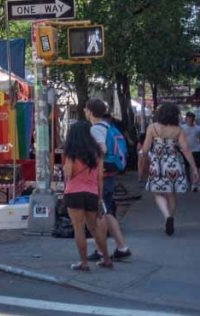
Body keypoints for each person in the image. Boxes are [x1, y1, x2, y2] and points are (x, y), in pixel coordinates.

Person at [139, 103, 198, 236]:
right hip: (174, 164)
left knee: (157, 192)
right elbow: (186, 149)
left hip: (157, 164)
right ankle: (170, 218)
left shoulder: (152, 128)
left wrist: (140, 156)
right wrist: (194, 168)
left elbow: (146, 149)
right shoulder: (178, 130)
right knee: (171, 194)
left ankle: (167, 217)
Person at [85, 99, 132, 261]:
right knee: (106, 212)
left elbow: (102, 149)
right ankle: (120, 247)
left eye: (86, 109)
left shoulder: (96, 129)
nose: (85, 112)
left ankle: (104, 249)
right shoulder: (108, 127)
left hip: (102, 177)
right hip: (109, 175)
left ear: (90, 111)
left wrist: (95, 164)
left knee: (101, 213)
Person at [63, 120, 112, 271]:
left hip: (74, 193)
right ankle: (106, 258)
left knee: (79, 228)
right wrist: (100, 196)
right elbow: (100, 178)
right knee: (94, 228)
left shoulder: (71, 152)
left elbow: (68, 174)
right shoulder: (97, 152)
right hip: (92, 193)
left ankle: (83, 262)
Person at [182, 112, 200, 187]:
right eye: (188, 118)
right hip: (185, 150)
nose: (190, 119)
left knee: (196, 166)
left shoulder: (198, 128)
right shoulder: (182, 127)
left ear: (193, 119)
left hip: (196, 149)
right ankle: (189, 181)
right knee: (187, 167)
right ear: (186, 119)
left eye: (191, 118)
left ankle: (195, 183)